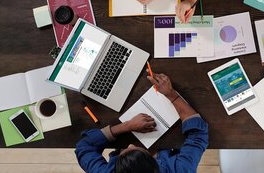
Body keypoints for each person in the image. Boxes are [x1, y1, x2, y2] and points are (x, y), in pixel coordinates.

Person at [75, 73, 209, 173]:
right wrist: (171, 94)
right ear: (154, 162)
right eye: (134, 148)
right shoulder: (181, 170)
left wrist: (126, 126)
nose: (130, 144)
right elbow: (198, 134)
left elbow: (84, 147)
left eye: (125, 151)